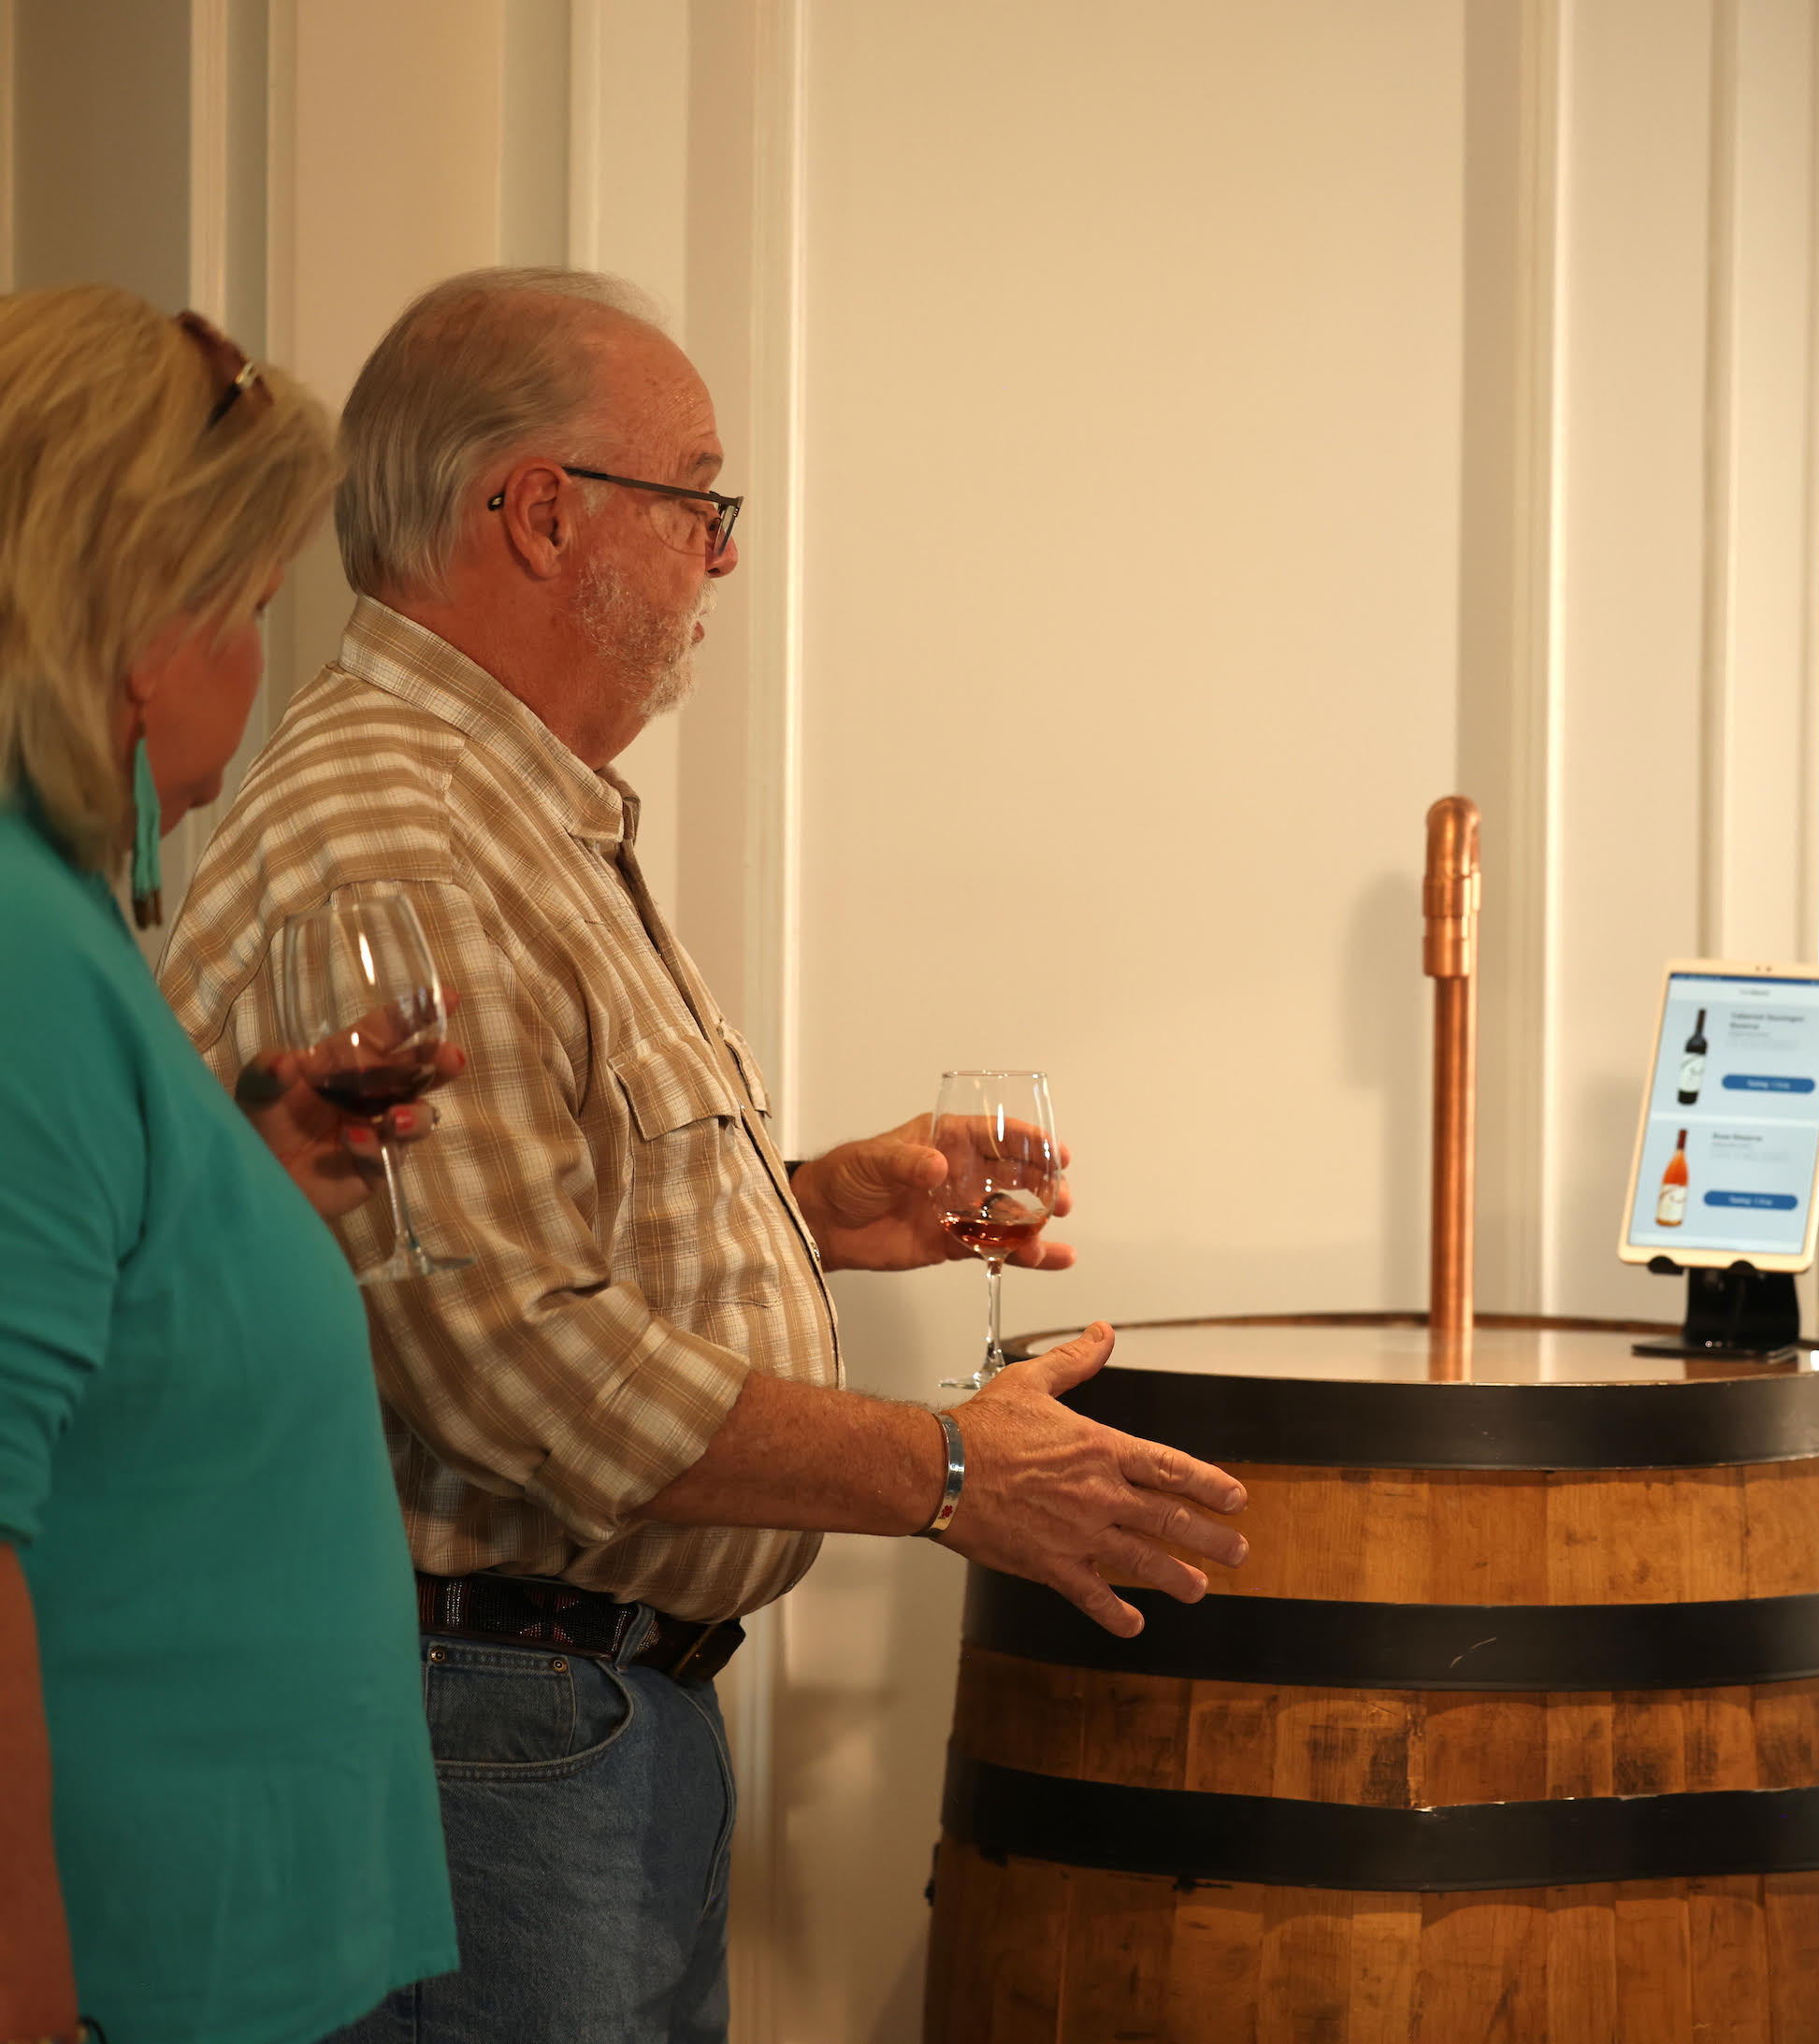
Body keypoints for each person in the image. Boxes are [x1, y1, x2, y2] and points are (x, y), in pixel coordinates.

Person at [155, 268, 1249, 2043]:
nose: (721, 560)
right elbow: (503, 1350)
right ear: (540, 512)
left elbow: (480, 1238)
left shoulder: (494, 803)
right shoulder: (403, 833)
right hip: (488, 1732)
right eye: (697, 503)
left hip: (553, 1725)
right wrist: (950, 1469)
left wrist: (806, 1210)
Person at [0, 287, 458, 2043]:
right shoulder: (22, 952)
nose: (264, 669)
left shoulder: (66, 923)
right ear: (142, 624)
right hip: (137, 1973)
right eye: (258, 608)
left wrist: (246, 1173)